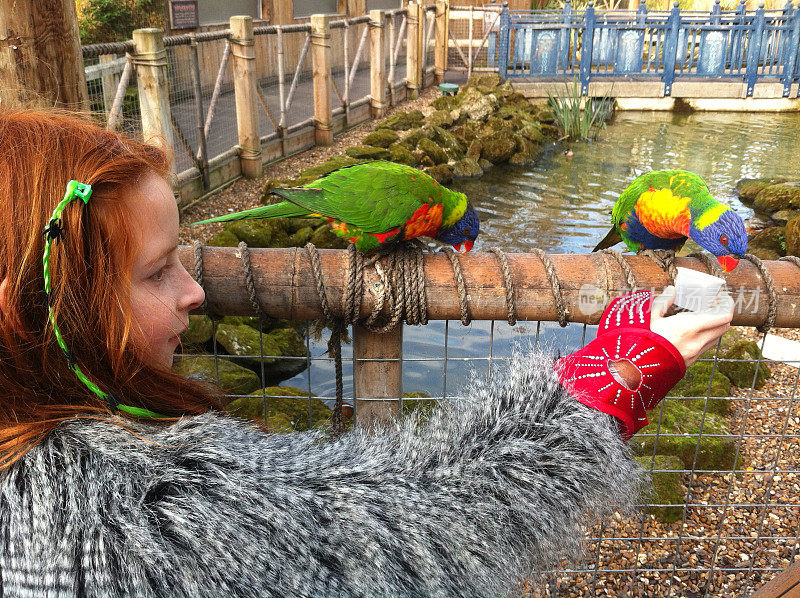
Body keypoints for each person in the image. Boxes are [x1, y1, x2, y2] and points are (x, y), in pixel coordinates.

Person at [0, 109, 734, 597]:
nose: (196, 293)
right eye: (159, 271)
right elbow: (424, 524)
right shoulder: (129, 522)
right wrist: (620, 373)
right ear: (30, 307)